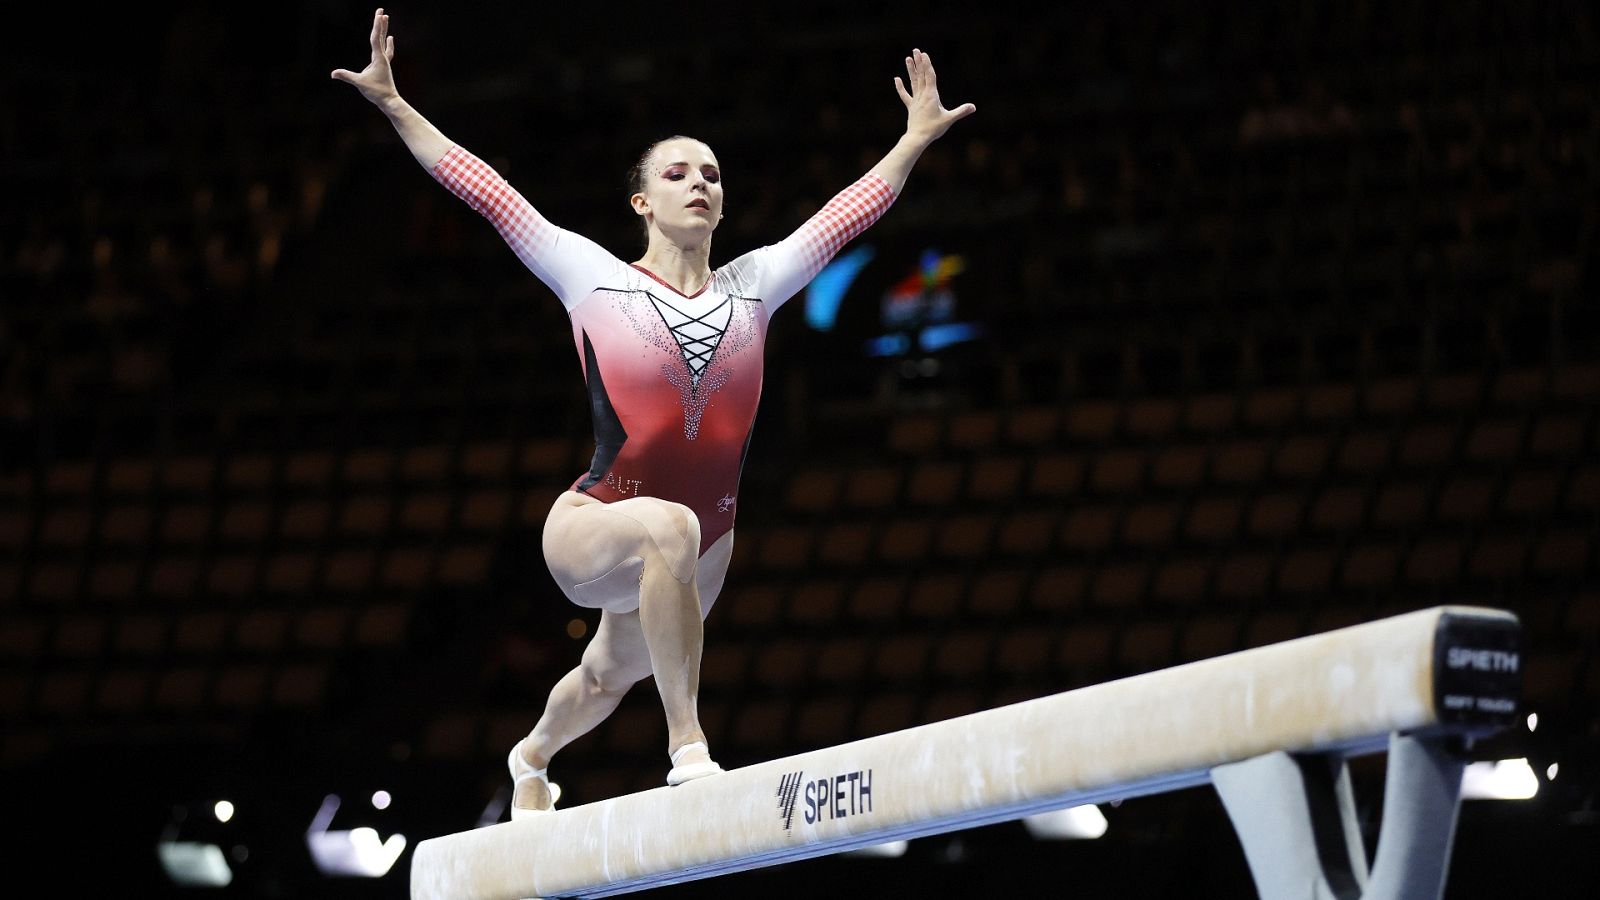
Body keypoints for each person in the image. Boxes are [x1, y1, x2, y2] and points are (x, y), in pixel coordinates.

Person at [332, 8, 974, 818]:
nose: (700, 182)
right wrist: (395, 104)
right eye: (677, 174)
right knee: (667, 527)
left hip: (706, 545)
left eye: (710, 173)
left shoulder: (754, 286)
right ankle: (688, 748)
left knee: (605, 673)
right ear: (639, 201)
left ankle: (531, 753)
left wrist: (914, 137)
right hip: (594, 522)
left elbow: (850, 214)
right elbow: (485, 189)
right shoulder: (592, 276)